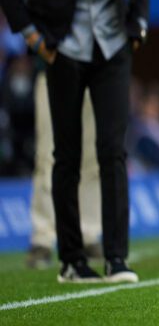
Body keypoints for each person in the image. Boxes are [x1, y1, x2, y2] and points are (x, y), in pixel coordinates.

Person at [0, 0, 149, 283]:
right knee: (65, 155)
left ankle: (117, 258)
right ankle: (71, 261)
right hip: (62, 50)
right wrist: (31, 36)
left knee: (112, 152)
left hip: (111, 48)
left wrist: (138, 26)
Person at [27, 72, 102, 269]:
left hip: (95, 74)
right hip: (54, 70)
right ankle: (43, 238)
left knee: (91, 159)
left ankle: (88, 234)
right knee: (47, 156)